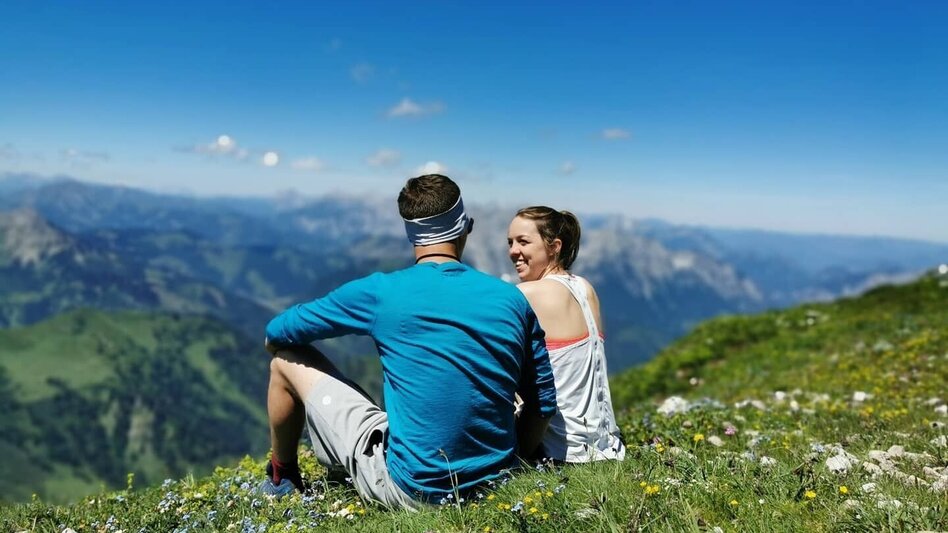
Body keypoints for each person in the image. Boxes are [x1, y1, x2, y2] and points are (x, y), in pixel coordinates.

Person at [257, 174, 557, 508]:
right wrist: (515, 458)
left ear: (411, 234)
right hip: (500, 483)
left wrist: (277, 345)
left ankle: (281, 478)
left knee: (283, 360)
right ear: (464, 227)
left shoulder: (381, 292)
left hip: (413, 491)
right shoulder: (511, 299)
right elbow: (542, 403)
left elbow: (278, 331)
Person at [507, 206, 625, 462]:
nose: (513, 251)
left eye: (523, 241)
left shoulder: (528, 293)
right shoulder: (585, 288)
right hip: (609, 448)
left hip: (562, 455)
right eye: (510, 242)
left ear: (554, 246)